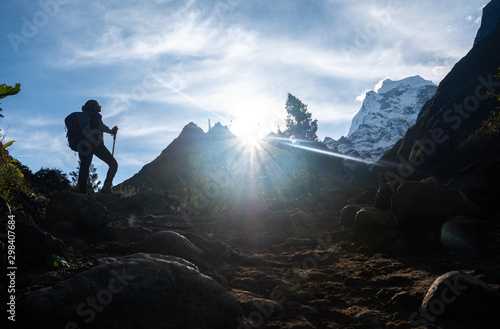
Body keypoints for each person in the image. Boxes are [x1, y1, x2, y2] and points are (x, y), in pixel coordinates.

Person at [78, 100, 118, 194]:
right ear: (94, 106)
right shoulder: (95, 115)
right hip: (96, 144)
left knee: (84, 167)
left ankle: (82, 192)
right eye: (98, 105)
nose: (100, 106)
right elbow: (100, 126)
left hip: (83, 144)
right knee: (113, 164)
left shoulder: (82, 117)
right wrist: (111, 131)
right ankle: (106, 188)